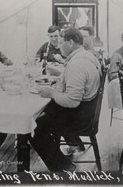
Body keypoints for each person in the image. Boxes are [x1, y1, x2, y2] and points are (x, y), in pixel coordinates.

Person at [29, 27, 101, 172]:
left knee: (33, 127)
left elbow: (72, 102)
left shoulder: (77, 64)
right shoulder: (86, 56)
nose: (58, 46)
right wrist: (58, 86)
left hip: (80, 117)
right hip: (87, 110)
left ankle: (63, 167)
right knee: (46, 111)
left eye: (61, 43)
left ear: (71, 43)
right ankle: (61, 157)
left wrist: (52, 93)